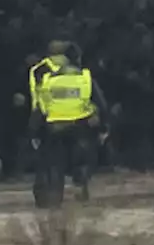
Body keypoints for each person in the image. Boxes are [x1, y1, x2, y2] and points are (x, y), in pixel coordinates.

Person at [30, 50, 110, 208]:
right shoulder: (86, 79)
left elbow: (40, 108)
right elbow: (101, 104)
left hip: (54, 128)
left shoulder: (48, 81)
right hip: (81, 127)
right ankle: (80, 184)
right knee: (82, 160)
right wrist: (103, 127)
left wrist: (34, 131)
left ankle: (53, 198)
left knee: (54, 164)